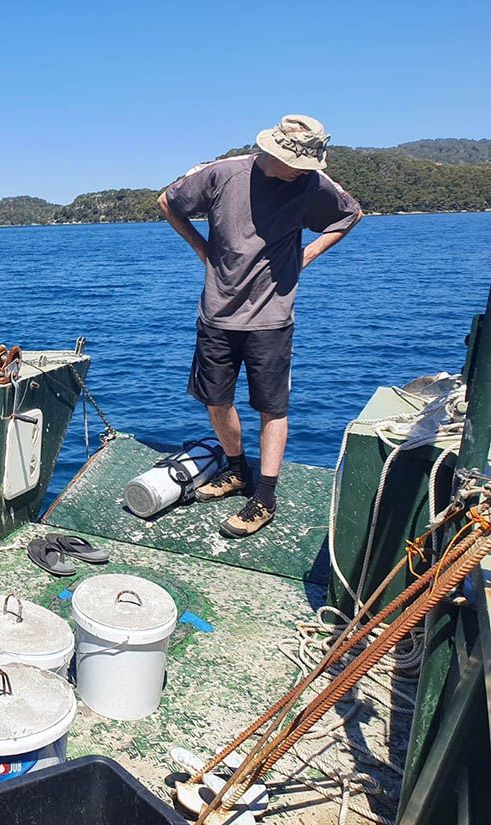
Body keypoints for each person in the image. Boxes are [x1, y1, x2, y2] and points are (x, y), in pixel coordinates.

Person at [157, 114, 362, 537]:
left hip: (272, 315)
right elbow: (168, 202)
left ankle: (265, 496)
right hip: (217, 311)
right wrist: (201, 249)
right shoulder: (222, 175)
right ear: (271, 150)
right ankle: (237, 471)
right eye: (295, 163)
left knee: (273, 407)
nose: (301, 172)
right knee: (216, 400)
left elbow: (350, 215)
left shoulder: (311, 185)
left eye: (309, 165)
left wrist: (307, 256)